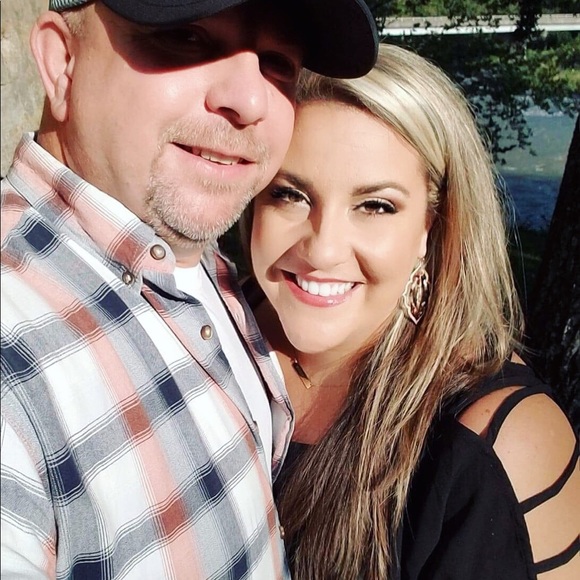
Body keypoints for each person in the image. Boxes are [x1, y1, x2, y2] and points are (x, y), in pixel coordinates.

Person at [0, 0, 378, 578]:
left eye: (277, 62)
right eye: (186, 37)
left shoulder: (196, 259)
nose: (250, 101)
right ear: (61, 61)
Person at [242, 44, 580, 579]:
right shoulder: (202, 330)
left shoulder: (496, 444)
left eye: (375, 205)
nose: (322, 249)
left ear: (432, 227)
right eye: (289, 194)